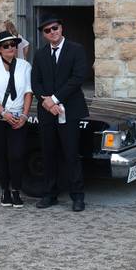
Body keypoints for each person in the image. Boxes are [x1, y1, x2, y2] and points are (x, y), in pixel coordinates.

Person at [30, 13, 89, 212]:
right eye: (47, 30)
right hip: (47, 112)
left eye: (55, 28)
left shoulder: (76, 50)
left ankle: (77, 197)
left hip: (69, 111)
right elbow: (35, 82)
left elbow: (78, 77)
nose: (52, 32)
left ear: (61, 28)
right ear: (44, 34)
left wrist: (54, 99)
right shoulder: (39, 54)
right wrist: (46, 102)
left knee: (71, 154)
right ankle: (50, 194)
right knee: (48, 154)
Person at [0, 31, 33, 208]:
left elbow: (28, 91)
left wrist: (25, 115)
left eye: (13, 44)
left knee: (16, 155)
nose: (11, 48)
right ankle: (5, 191)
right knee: (1, 155)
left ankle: (16, 190)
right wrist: (3, 113)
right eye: (6, 45)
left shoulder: (25, 66)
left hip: (18, 117)